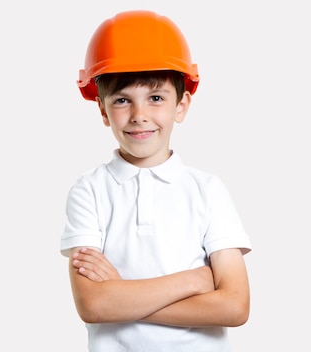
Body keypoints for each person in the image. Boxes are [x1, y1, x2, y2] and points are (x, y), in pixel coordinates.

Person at [60, 10, 252, 351]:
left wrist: (123, 296)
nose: (139, 115)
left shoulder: (207, 191)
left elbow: (235, 306)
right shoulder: (88, 191)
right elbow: (93, 306)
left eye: (156, 98)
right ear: (103, 111)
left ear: (181, 104)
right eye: (122, 100)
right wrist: (194, 280)